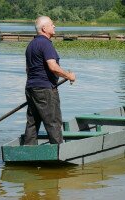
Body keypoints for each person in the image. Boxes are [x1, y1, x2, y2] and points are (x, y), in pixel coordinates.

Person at [24, 16, 76, 145]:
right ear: (44, 28)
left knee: (33, 122)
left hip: (31, 88)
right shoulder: (45, 43)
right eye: (52, 24)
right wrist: (68, 76)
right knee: (53, 122)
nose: (54, 27)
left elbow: (27, 70)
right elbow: (53, 66)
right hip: (45, 90)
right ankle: (58, 153)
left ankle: (28, 152)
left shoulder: (31, 45)